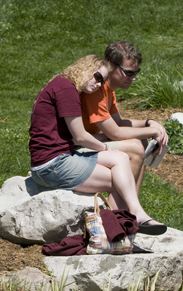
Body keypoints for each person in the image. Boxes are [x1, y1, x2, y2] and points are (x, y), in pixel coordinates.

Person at [29, 55, 166, 234]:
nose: (98, 84)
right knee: (121, 181)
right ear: (85, 69)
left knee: (121, 159)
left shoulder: (65, 86)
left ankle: (131, 216)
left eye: (103, 81)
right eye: (97, 77)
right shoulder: (66, 90)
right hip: (51, 166)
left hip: (60, 157)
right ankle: (117, 227)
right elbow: (80, 137)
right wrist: (104, 147)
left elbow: (77, 137)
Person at [80, 41, 169, 194]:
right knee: (135, 148)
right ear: (110, 66)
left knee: (141, 140)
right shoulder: (96, 90)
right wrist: (152, 131)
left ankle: (132, 206)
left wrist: (149, 123)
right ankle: (121, 210)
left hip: (94, 140)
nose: (133, 78)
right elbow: (114, 133)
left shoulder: (109, 89)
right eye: (128, 73)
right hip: (76, 146)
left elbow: (119, 122)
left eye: (136, 72)